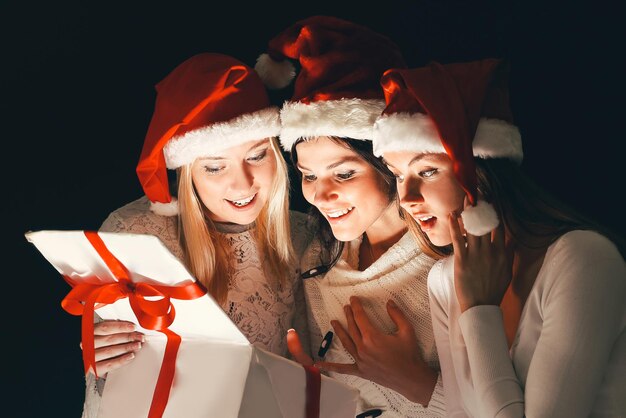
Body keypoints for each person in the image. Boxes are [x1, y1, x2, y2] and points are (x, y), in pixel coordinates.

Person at [373, 58, 626, 417]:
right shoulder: (445, 280)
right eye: (397, 175)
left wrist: (479, 310)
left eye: (427, 171)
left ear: (484, 171)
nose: (408, 198)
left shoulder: (584, 259)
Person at [81, 53, 313, 417]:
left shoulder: (304, 235)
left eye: (256, 156)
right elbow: (108, 384)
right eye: (215, 166)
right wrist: (103, 352)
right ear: (189, 174)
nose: (243, 183)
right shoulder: (137, 234)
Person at [256, 16, 447, 417]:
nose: (321, 194)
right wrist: (311, 388)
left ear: (388, 164)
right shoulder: (318, 261)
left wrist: (417, 383)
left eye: (345, 173)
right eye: (308, 175)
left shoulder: (448, 260)